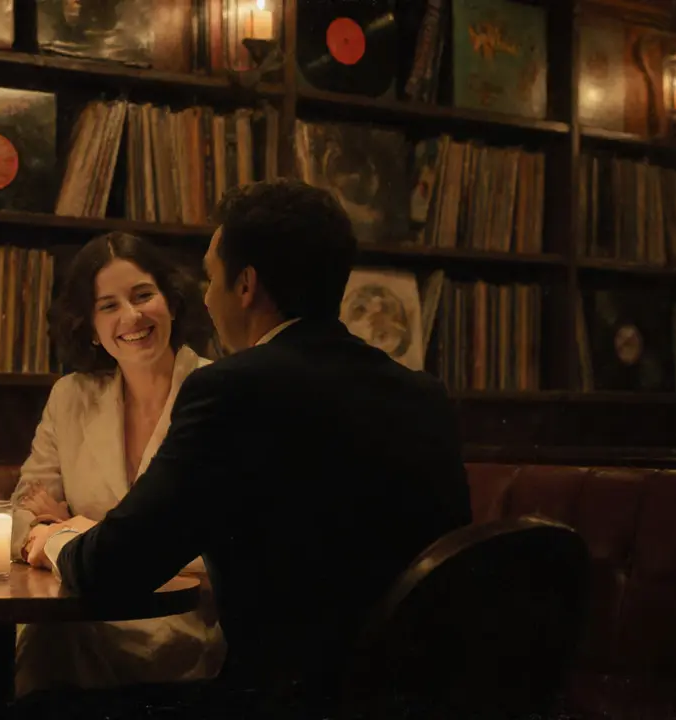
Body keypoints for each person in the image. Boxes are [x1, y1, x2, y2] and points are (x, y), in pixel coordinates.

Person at [25, 179, 472, 714]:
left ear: (246, 286)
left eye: (212, 277)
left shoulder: (230, 388)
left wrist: (57, 534)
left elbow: (111, 569)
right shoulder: (424, 394)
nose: (207, 298)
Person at [8, 231, 225, 698]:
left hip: (184, 624)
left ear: (170, 301)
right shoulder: (71, 397)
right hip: (80, 613)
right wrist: (46, 533)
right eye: (108, 305)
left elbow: (219, 547)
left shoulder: (216, 390)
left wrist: (76, 530)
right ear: (90, 325)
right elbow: (21, 513)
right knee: (44, 637)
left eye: (143, 295)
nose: (132, 316)